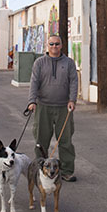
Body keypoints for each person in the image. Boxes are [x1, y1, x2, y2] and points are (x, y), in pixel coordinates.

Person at [26, 34, 78, 182]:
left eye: (57, 44)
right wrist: (32, 101)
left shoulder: (69, 63)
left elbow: (74, 82)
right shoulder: (39, 63)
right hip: (43, 106)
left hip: (64, 108)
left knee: (66, 141)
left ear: (61, 46)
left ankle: (67, 171)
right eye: (51, 44)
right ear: (47, 46)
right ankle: (40, 170)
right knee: (41, 141)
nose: (54, 47)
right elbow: (34, 82)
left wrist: (72, 100)